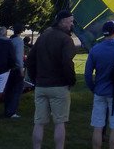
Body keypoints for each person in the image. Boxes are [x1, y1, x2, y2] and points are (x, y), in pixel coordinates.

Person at [28, 10, 76, 149]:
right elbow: (67, 62)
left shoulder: (44, 35)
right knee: (60, 122)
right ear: (62, 21)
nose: (72, 24)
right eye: (70, 21)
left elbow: (31, 60)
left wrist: (35, 78)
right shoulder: (66, 39)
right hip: (59, 86)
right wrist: (71, 80)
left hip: (41, 85)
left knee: (39, 122)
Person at [85, 21, 114, 149]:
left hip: (100, 91)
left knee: (98, 127)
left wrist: (94, 88)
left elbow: (87, 74)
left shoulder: (95, 49)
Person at [3, 23, 26, 118]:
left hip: (8, 68)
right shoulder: (19, 41)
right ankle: (11, 111)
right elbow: (19, 56)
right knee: (16, 91)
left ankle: (7, 109)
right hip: (16, 68)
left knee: (8, 90)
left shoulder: (10, 40)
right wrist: (21, 69)